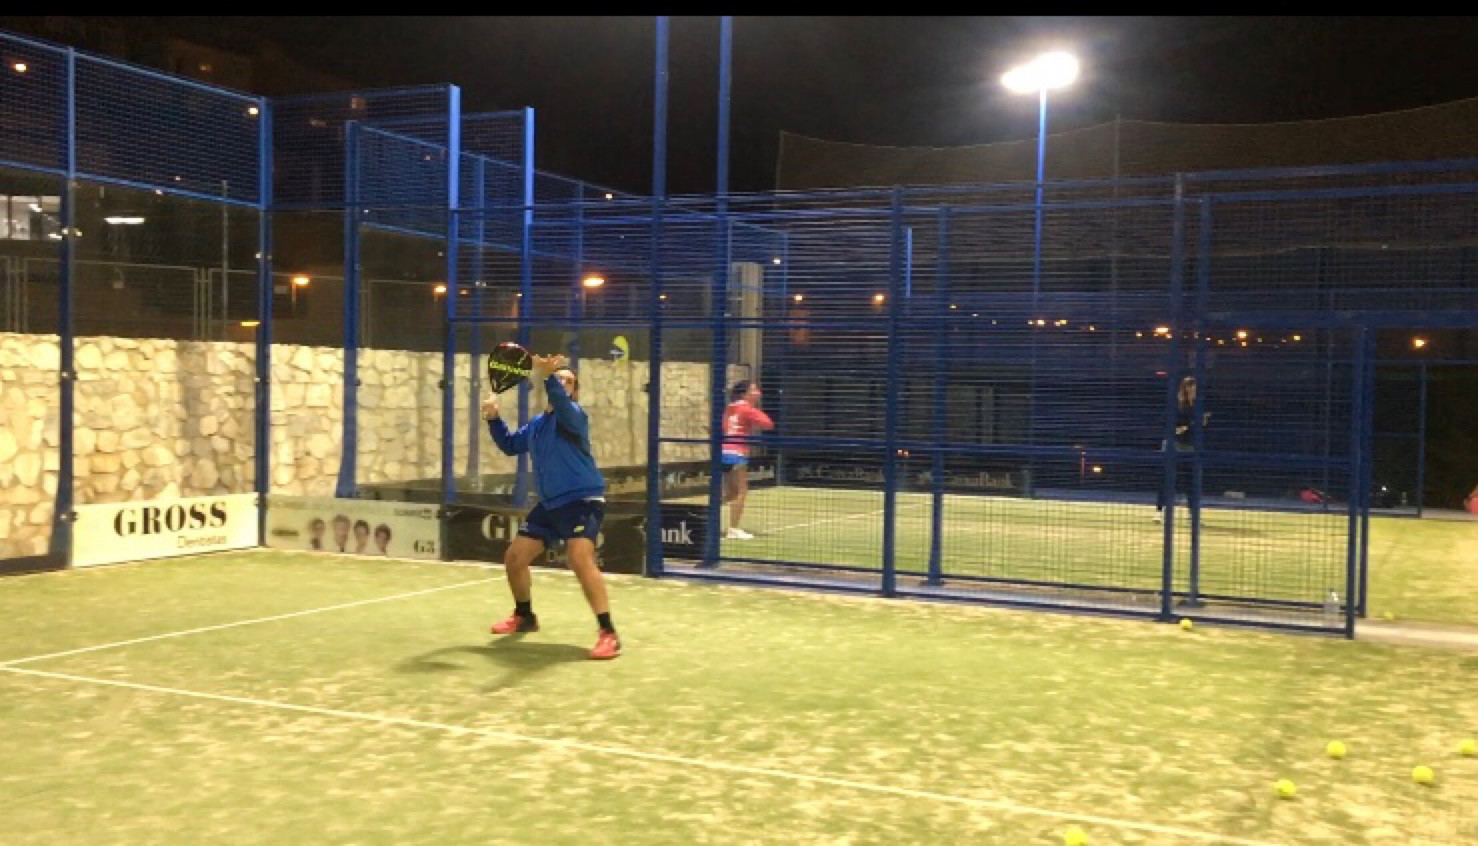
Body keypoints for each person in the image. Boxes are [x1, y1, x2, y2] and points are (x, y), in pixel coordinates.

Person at [481, 353, 620, 660]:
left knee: (579, 557)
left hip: (582, 500)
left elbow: (561, 401)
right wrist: (493, 419)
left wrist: (548, 376)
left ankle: (608, 633)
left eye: (569, 382)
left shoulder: (574, 417)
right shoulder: (536, 426)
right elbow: (510, 445)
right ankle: (524, 616)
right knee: (514, 558)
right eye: (560, 380)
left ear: (574, 392)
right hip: (550, 504)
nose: (563, 384)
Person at [721, 379, 775, 540]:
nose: (758, 393)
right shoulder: (747, 408)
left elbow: (725, 428)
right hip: (737, 453)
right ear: (745, 394)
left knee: (730, 493)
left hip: (724, 452)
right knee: (740, 492)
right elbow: (768, 424)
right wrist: (754, 411)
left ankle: (712, 520)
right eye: (754, 390)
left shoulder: (729, 408)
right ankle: (733, 529)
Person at [1156, 375, 1210, 524]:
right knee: (1167, 480)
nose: (1193, 391)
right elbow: (1168, 423)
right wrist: (1178, 428)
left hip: (1190, 447)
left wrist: (1201, 423)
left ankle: (1192, 515)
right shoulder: (1176, 404)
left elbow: (1198, 428)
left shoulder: (1198, 406)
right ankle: (1159, 512)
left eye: (1195, 389)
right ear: (1185, 389)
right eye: (1191, 388)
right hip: (1174, 445)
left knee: (1191, 482)